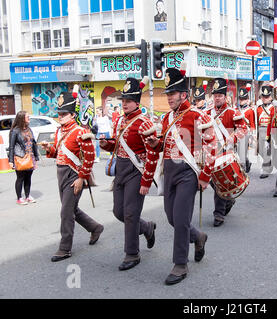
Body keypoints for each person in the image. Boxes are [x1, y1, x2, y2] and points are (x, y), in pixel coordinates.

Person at [145, 67, 215, 285]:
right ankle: (198, 237)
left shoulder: (198, 115)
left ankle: (180, 264)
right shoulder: (167, 119)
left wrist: (205, 176)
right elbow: (165, 146)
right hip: (170, 171)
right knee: (171, 217)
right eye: (167, 94)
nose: (168, 98)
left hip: (188, 173)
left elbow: (213, 147)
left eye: (172, 94)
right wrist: (157, 145)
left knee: (182, 218)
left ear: (183, 94)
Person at [99, 77, 157, 271]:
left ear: (137, 102)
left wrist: (147, 180)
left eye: (128, 100)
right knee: (118, 212)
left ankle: (132, 253)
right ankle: (147, 228)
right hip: (121, 170)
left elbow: (153, 153)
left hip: (136, 171)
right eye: (123, 100)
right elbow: (118, 144)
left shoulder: (144, 123)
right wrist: (107, 144)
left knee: (131, 214)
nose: (124, 103)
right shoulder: (120, 120)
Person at [40, 91, 104, 262]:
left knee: (66, 212)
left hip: (74, 175)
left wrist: (81, 178)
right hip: (61, 172)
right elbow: (58, 154)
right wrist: (49, 149)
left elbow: (89, 157)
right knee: (71, 209)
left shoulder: (80, 132)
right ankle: (95, 227)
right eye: (59, 114)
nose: (60, 117)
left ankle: (64, 248)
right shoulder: (59, 131)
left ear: (73, 115)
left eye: (64, 114)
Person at [204, 78, 248, 227]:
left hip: (225, 152)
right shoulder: (206, 112)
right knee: (213, 181)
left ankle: (219, 214)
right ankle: (228, 199)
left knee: (219, 179)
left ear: (225, 97)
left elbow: (243, 129)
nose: (217, 98)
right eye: (215, 95)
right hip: (210, 153)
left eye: (220, 96)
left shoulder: (232, 112)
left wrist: (232, 138)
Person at [8, 111, 40, 205]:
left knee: (28, 178)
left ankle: (28, 196)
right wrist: (10, 161)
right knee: (20, 178)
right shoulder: (15, 130)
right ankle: (19, 198)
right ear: (22, 118)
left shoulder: (29, 129)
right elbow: (11, 146)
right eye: (27, 117)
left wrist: (36, 156)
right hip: (20, 157)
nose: (29, 118)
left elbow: (33, 143)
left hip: (30, 157)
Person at [257, 85, 275, 178]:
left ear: (271, 97)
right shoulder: (259, 108)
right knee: (260, 150)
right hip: (261, 129)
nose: (265, 99)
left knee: (267, 150)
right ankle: (269, 164)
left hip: (270, 131)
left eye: (267, 97)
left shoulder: (273, 108)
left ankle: (266, 169)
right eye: (263, 96)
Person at [237, 86, 255, 173]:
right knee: (238, 151)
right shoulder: (237, 110)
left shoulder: (250, 111)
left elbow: (252, 125)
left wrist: (251, 137)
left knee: (242, 153)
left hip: (245, 133)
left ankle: (242, 170)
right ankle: (247, 162)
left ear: (247, 99)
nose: (241, 101)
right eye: (240, 99)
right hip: (237, 132)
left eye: (243, 99)